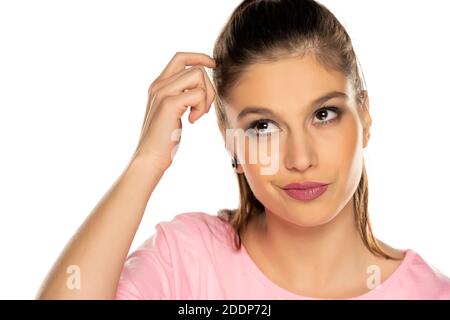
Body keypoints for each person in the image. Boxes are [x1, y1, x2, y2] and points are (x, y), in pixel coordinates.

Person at [36, 0, 450, 300]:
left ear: (365, 115)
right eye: (263, 126)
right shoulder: (188, 261)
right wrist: (146, 162)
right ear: (229, 139)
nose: (300, 159)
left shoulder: (431, 293)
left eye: (324, 114)